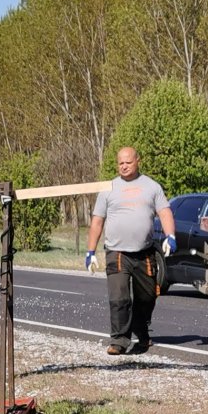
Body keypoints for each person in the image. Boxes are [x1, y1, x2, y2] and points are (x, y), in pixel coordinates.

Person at [86, 147, 176, 356]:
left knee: (147, 298)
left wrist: (170, 235)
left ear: (138, 161)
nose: (124, 166)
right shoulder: (108, 189)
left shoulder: (152, 187)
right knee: (119, 298)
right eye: (120, 163)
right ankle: (119, 340)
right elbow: (97, 221)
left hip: (144, 252)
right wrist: (90, 251)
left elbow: (164, 212)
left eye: (128, 162)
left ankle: (140, 328)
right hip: (117, 252)